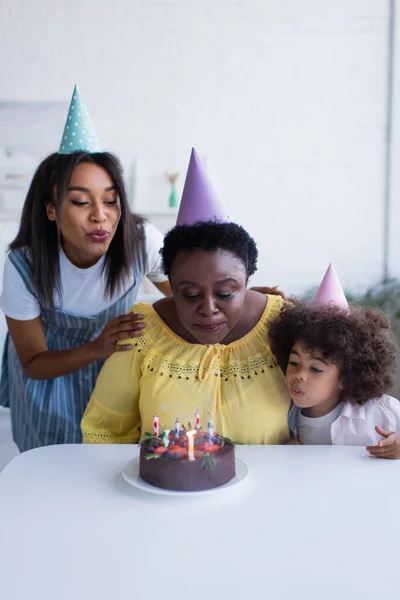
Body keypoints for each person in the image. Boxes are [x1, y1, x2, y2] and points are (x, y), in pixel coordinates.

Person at [0, 86, 171, 451]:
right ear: (50, 209)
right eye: (81, 201)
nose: (100, 215)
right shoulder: (24, 266)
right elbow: (32, 362)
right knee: (52, 470)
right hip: (48, 379)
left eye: (110, 200)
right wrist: (95, 347)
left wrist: (243, 296)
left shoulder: (141, 242)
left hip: (114, 374)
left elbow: (190, 295)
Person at [81, 149, 291, 445]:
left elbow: (338, 412)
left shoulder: (285, 325)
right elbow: (105, 432)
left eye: (226, 293)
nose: (208, 309)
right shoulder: (141, 333)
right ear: (171, 286)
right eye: (190, 294)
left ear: (247, 284)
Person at [268, 264, 400, 458]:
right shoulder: (285, 414)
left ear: (346, 376)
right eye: (294, 363)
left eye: (315, 369)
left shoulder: (382, 411)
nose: (299, 376)